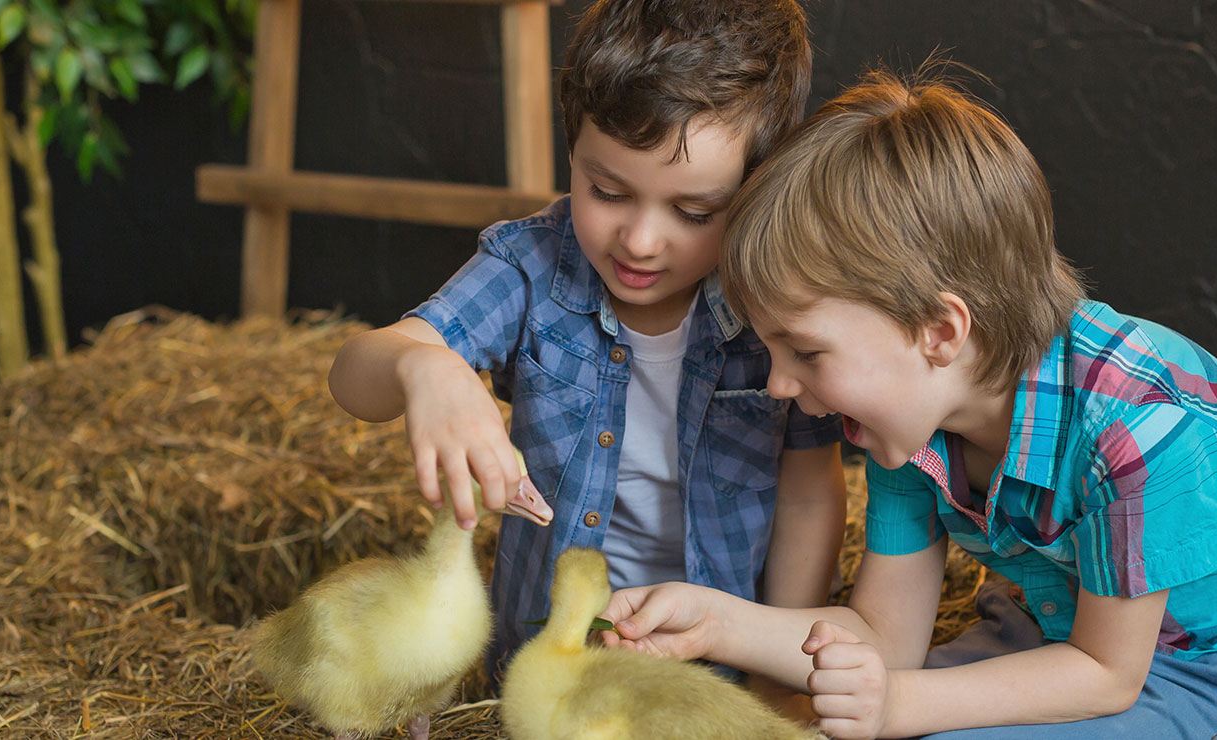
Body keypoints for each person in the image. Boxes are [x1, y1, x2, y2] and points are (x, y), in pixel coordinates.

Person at [599, 68, 1217, 740]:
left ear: (940, 331)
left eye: (806, 353)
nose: (780, 386)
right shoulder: (909, 426)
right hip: (1060, 624)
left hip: (1205, 660)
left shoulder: (1140, 425)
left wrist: (895, 705)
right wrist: (714, 623)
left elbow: (1106, 675)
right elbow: (884, 638)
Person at [326, 0, 846, 686]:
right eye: (606, 191)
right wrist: (424, 367)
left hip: (717, 677)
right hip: (544, 673)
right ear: (570, 152)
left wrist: (783, 687)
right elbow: (354, 374)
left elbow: (811, 495)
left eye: (693, 212)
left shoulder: (776, 298)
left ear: (758, 188)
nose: (639, 241)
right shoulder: (532, 267)